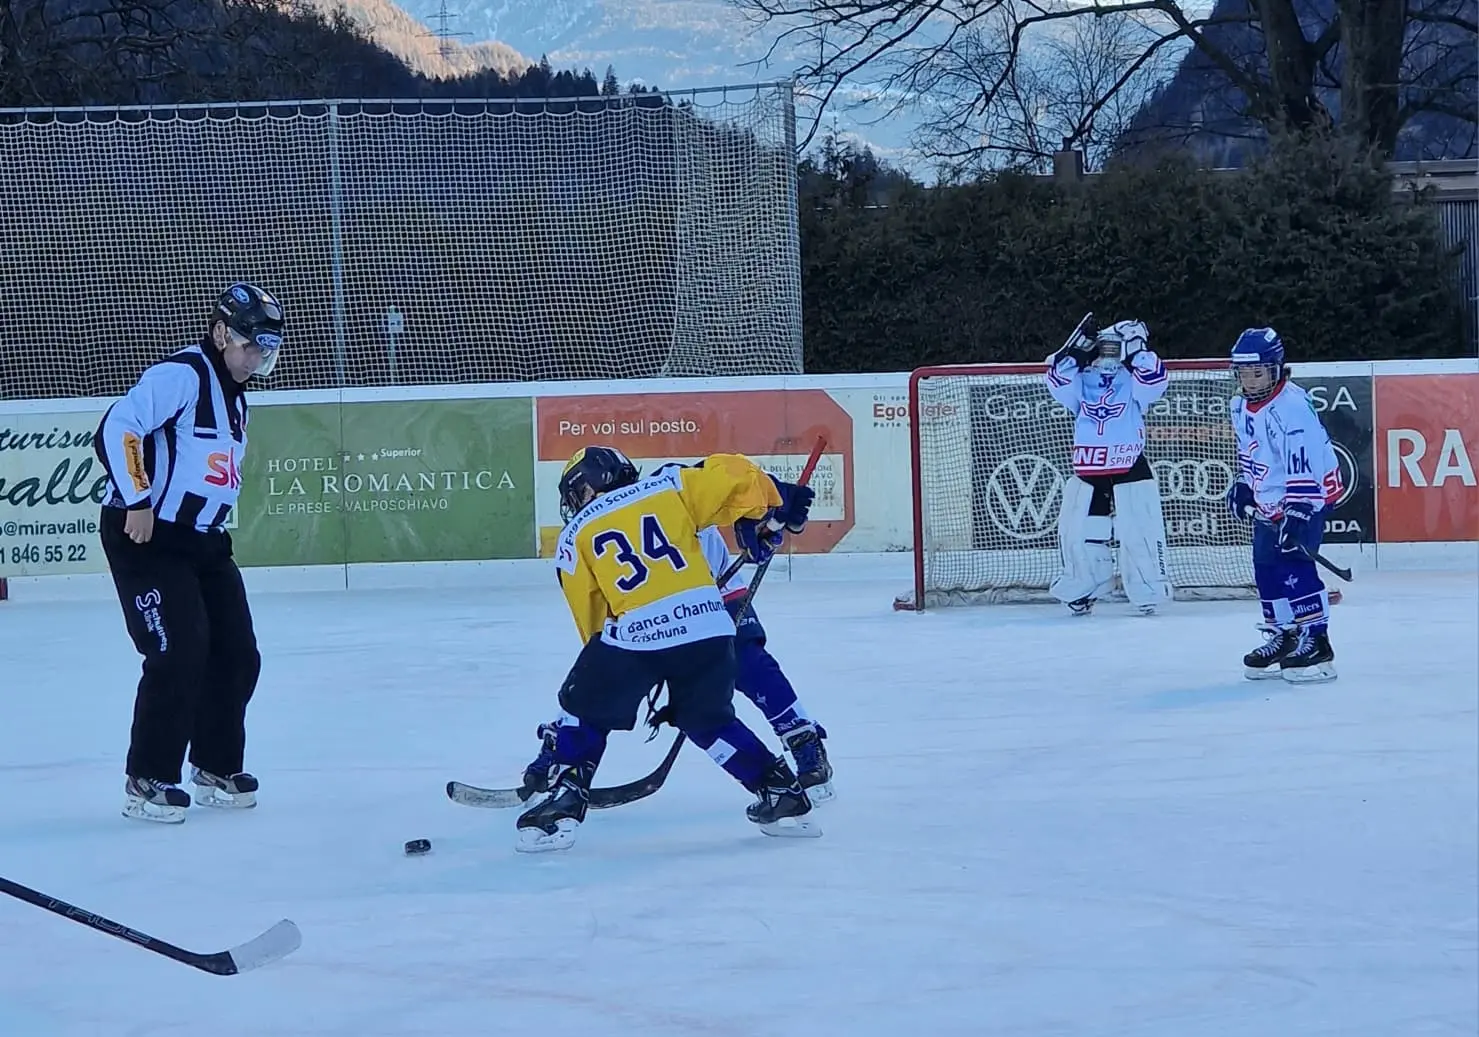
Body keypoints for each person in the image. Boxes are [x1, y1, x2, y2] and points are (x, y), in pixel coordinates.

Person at [515, 446, 818, 853]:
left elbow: (594, 621)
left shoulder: (575, 533)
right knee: (706, 721)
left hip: (640, 634)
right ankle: (781, 793)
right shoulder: (668, 486)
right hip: (711, 627)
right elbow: (732, 472)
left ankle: (565, 801)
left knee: (585, 705)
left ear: (584, 489)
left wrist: (624, 672)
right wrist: (773, 498)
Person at [93, 283, 285, 822]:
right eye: (251, 345)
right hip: (148, 538)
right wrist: (136, 497)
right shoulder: (180, 376)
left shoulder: (236, 394)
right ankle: (148, 778)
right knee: (178, 651)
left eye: (266, 348)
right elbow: (117, 428)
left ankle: (215, 764)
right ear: (222, 332)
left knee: (238, 652)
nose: (258, 357)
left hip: (204, 542)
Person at [1225, 327, 1340, 682]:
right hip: (1270, 498)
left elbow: (1303, 460)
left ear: (1276, 369)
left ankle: (1317, 640)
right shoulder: (1238, 405)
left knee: (1294, 566)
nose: (1251, 380)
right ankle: (1284, 635)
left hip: (1306, 494)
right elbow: (1250, 451)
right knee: (1264, 567)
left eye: (1258, 372)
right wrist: (1245, 484)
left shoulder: (1292, 406)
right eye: (1244, 372)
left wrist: (1298, 509)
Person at [1043, 313, 1171, 616]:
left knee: (1140, 530)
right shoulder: (1081, 377)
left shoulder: (1133, 379)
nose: (1108, 351)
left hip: (1128, 462)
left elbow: (1156, 380)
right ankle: (1084, 587)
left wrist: (1138, 351)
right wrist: (1075, 349)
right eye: (1103, 344)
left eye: (1115, 345)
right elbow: (1056, 379)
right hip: (1089, 466)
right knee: (1081, 533)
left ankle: (1147, 589)